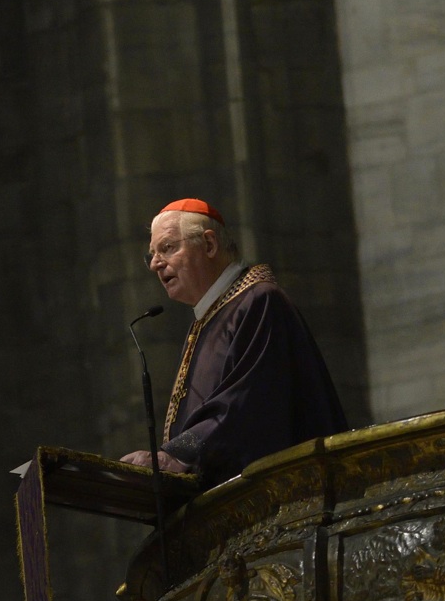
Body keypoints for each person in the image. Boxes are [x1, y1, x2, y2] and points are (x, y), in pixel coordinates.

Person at [119, 198, 347, 486]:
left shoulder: (260, 301)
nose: (154, 264)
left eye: (167, 248)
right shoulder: (207, 320)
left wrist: (176, 455)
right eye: (150, 255)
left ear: (209, 245)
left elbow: (248, 404)